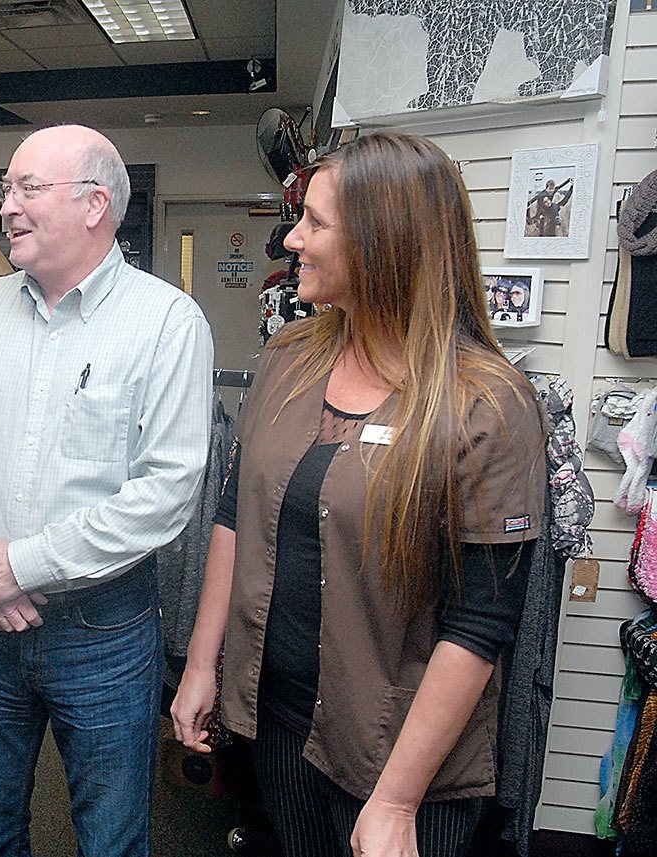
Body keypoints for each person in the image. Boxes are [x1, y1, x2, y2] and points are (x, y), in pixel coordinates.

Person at [171, 132, 546, 857]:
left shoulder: (486, 404)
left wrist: (398, 798)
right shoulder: (288, 359)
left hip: (400, 757)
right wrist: (198, 666)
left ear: (385, 239)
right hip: (278, 724)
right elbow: (233, 514)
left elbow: (481, 623)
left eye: (315, 222)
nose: (292, 238)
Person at [0, 125, 213, 857]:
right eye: (5, 189)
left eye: (27, 188)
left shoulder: (167, 323)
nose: (7, 206)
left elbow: (167, 491)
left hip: (104, 632)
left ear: (94, 204)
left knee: (110, 840)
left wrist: (22, 565)